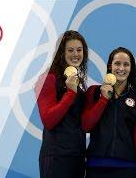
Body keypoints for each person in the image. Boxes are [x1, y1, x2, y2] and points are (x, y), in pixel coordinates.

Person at [81, 47, 136, 178]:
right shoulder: (94, 92)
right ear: (110, 66)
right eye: (117, 63)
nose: (121, 68)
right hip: (96, 166)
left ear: (131, 68)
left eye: (126, 64)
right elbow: (86, 126)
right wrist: (103, 99)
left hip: (127, 167)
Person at [35, 30, 88, 178]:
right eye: (70, 50)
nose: (75, 54)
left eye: (79, 50)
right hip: (56, 156)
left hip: (77, 155)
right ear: (61, 53)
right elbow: (48, 120)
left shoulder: (79, 82)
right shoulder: (48, 78)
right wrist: (70, 93)